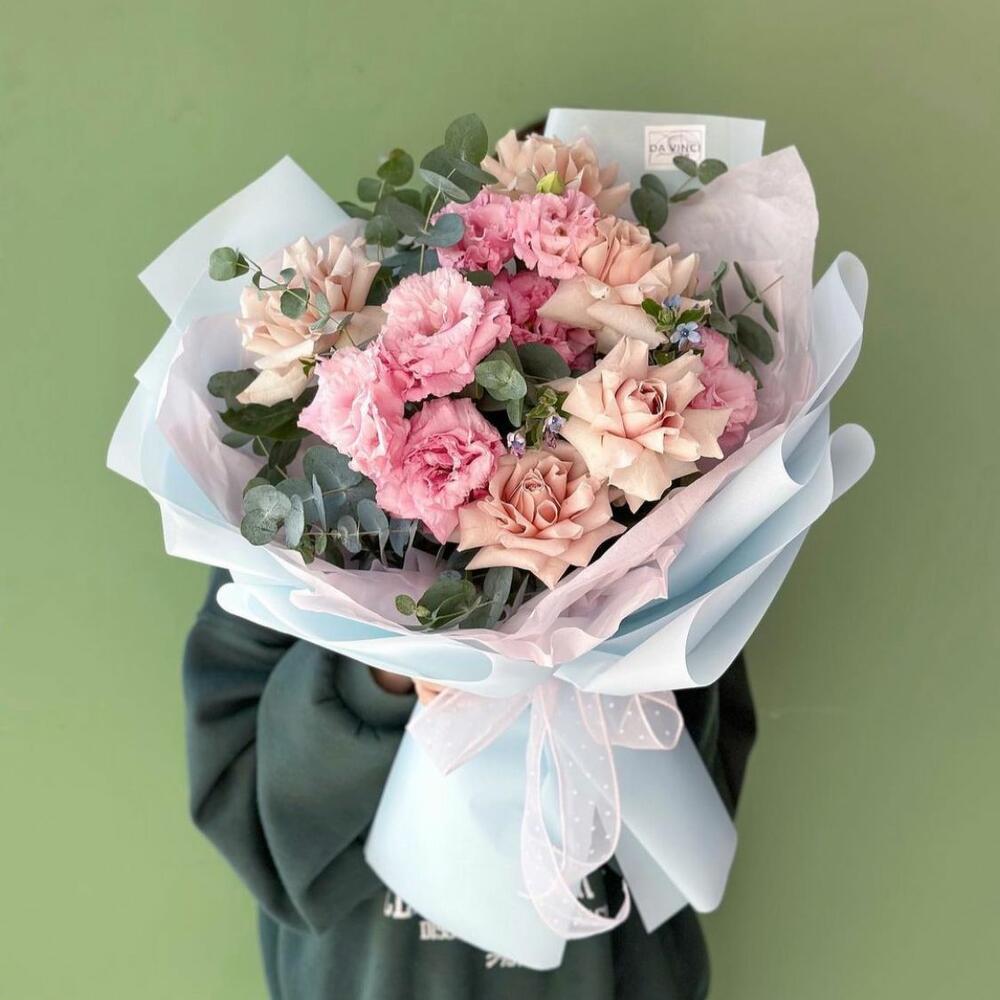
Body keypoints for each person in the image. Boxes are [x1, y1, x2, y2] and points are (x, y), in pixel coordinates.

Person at [183, 568, 756, 1000]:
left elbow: (702, 736)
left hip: (612, 964)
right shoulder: (280, 488)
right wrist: (386, 666)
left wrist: (608, 625)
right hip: (376, 964)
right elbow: (241, 783)